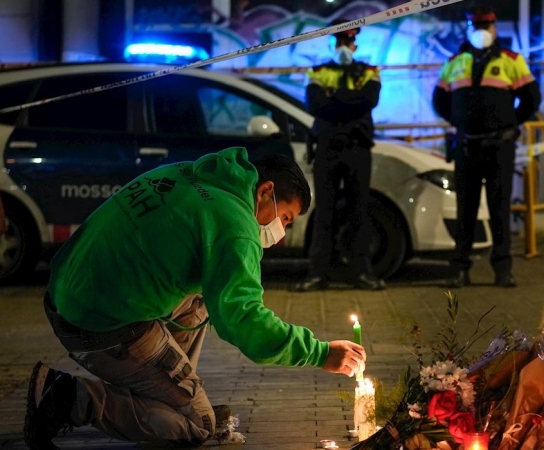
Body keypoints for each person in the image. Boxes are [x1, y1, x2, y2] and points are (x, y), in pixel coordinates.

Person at [24, 147, 366, 449]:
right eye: (285, 219)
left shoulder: (190, 172)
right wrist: (319, 352)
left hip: (67, 290)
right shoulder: (235, 225)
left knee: (205, 298)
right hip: (97, 323)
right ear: (265, 191)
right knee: (198, 426)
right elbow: (243, 320)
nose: (279, 236)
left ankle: (170, 395)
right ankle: (67, 397)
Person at [433, 6, 541, 288]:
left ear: (495, 29)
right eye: (477, 26)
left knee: (499, 209)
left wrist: (509, 124)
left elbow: (531, 98)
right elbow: (439, 100)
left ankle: (503, 270)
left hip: (499, 147)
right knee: (465, 210)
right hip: (466, 146)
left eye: (487, 26)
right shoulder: (454, 62)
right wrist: (459, 122)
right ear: (469, 29)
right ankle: (460, 269)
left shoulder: (511, 60)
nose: (482, 31)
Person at [291, 20, 385, 292]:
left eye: (348, 42)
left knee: (359, 211)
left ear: (355, 44)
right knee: (325, 213)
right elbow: (316, 104)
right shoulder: (317, 71)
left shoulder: (370, 71)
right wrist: (349, 100)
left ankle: (362, 273)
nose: (344, 47)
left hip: (358, 147)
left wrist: (334, 98)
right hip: (328, 148)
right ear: (333, 44)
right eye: (340, 42)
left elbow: (369, 100)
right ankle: (317, 274)